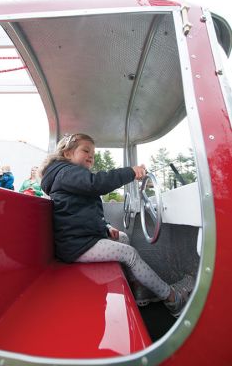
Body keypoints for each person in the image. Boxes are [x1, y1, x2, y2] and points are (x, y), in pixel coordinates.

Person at [40, 133, 194, 317]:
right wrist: (130, 172)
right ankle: (172, 298)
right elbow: (97, 183)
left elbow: (80, 212)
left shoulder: (68, 177)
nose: (91, 156)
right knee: (129, 254)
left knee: (122, 237)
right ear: (67, 154)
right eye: (85, 150)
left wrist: (106, 226)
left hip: (80, 238)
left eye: (93, 154)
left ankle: (136, 289)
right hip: (76, 246)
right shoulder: (67, 172)